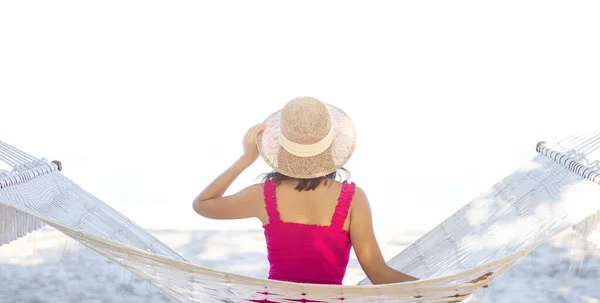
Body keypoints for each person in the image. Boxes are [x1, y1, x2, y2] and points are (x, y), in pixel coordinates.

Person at [192, 97, 490, 291]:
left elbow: (203, 205)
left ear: (280, 149)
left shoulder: (263, 195)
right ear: (331, 149)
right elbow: (377, 272)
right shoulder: (352, 199)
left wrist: (246, 158)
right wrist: (449, 287)